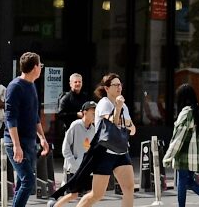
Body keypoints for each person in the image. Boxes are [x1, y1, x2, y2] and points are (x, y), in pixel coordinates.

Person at [78, 74, 139, 207]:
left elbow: (133, 130)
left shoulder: (124, 106)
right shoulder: (104, 103)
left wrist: (124, 119)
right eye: (115, 85)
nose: (119, 87)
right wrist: (118, 111)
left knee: (129, 189)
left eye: (120, 84)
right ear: (107, 88)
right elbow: (114, 122)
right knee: (97, 194)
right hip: (104, 152)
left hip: (121, 151)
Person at [6, 53, 50, 207]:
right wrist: (16, 145)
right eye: (41, 65)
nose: (41, 69)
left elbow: (34, 116)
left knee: (22, 182)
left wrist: (42, 138)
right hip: (16, 143)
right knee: (28, 180)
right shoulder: (15, 87)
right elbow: (10, 118)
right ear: (35, 67)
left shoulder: (32, 86)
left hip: (30, 142)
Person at [62, 102, 98, 185]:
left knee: (89, 196)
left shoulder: (93, 129)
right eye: (93, 113)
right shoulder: (75, 125)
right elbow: (65, 149)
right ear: (85, 112)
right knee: (73, 196)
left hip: (87, 171)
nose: (95, 115)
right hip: (73, 171)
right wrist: (75, 163)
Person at [56, 73, 92, 149]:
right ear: (70, 84)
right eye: (75, 82)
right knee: (72, 154)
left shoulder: (85, 97)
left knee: (85, 152)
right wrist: (76, 114)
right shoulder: (65, 98)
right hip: (71, 131)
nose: (78, 84)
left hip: (85, 132)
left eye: (80, 82)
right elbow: (60, 114)